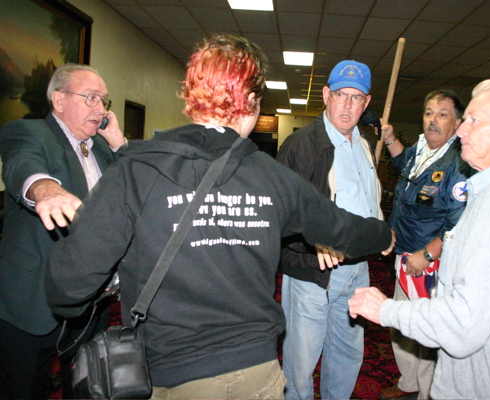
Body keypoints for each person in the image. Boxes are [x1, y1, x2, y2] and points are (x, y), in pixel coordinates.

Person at [45, 34, 394, 400]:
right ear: (253, 102)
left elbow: (67, 287)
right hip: (256, 375)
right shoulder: (273, 178)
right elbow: (343, 230)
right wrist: (383, 235)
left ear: (190, 95)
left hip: (169, 374)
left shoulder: (135, 169)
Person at [349, 78, 490, 399]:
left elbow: (463, 323)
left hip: (484, 387)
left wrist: (384, 310)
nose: (462, 130)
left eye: (474, 120)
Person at [0, 63, 126, 399]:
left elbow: (138, 187)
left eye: (104, 101)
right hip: (33, 301)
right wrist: (45, 189)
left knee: (85, 387)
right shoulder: (29, 132)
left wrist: (119, 143)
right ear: (59, 100)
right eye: (91, 98)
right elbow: (22, 163)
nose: (101, 109)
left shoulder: (102, 148)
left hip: (92, 302)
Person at [276, 59, 382, 400]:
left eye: (356, 97)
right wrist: (313, 242)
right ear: (326, 95)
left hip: (357, 270)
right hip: (314, 273)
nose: (347, 105)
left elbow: (367, 200)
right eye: (340, 95)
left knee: (347, 354)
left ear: (366, 102)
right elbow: (279, 214)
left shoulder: (364, 144)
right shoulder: (301, 145)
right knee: (301, 362)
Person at [378, 90, 474, 400]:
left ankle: (429, 393)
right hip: (405, 254)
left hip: (431, 263)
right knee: (402, 325)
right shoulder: (420, 151)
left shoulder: (458, 163)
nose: (433, 120)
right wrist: (390, 139)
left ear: (457, 123)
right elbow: (404, 164)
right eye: (429, 112)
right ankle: (409, 381)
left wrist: (429, 253)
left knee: (429, 330)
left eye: (442, 114)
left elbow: (459, 221)